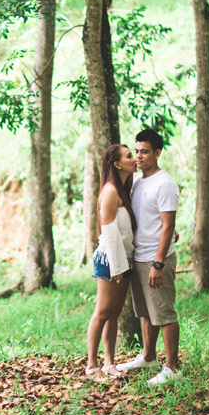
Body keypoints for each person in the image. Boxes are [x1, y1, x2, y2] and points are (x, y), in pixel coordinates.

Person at [117, 129, 181, 385]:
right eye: (137, 151)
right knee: (145, 312)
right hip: (139, 257)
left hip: (156, 259)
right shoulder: (138, 181)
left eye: (145, 151)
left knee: (164, 313)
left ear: (157, 153)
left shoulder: (165, 183)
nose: (139, 156)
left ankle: (173, 368)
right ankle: (148, 356)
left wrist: (158, 263)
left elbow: (167, 226)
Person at [85, 144, 137, 380]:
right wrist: (117, 268)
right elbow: (109, 233)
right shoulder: (109, 192)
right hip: (110, 259)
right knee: (102, 312)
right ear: (117, 164)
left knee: (114, 313)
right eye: (129, 156)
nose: (134, 158)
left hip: (123, 259)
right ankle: (91, 365)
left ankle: (109, 362)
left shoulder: (123, 188)